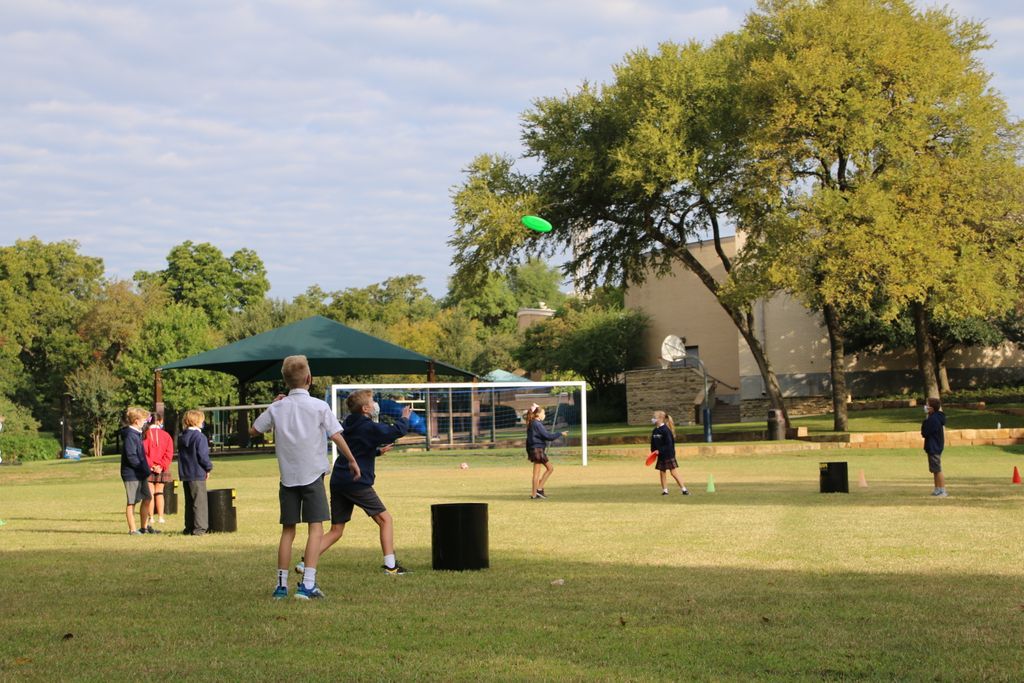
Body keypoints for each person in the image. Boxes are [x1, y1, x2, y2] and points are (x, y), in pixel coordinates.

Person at [250, 355, 360, 600]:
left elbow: (254, 430)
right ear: (309, 378)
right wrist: (352, 460)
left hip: (287, 477)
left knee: (288, 531)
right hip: (313, 476)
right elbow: (336, 436)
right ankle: (307, 584)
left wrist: (273, 405)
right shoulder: (320, 406)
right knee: (316, 528)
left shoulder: (277, 407)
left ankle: (281, 586)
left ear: (285, 381)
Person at [297, 390, 411, 576]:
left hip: (338, 480)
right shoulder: (368, 426)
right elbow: (395, 432)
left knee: (336, 530)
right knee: (385, 520)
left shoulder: (346, 424)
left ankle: (305, 562)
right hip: (356, 482)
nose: (375, 404)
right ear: (366, 408)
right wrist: (404, 418)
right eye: (373, 401)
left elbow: (354, 449)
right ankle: (391, 567)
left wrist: (377, 452)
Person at [178, 409, 214, 536]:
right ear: (197, 421)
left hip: (185, 473)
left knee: (189, 501)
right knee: (200, 502)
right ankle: (200, 528)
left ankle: (189, 527)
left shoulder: (182, 437)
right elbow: (202, 456)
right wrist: (208, 467)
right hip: (197, 472)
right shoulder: (200, 437)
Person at [120, 406, 155, 535]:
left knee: (147, 498)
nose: (146, 422)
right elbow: (131, 457)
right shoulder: (130, 435)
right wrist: (143, 468)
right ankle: (132, 529)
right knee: (132, 501)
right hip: (131, 474)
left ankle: (144, 527)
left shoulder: (137, 434)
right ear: (136, 421)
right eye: (144, 420)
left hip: (141, 473)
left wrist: (146, 469)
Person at [525, 405, 566, 499]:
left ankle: (535, 494)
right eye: (543, 413)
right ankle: (538, 490)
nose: (544, 415)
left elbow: (528, 441)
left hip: (534, 450)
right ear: (538, 414)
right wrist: (560, 433)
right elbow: (548, 436)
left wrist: (529, 452)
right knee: (549, 469)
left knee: (537, 473)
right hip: (538, 450)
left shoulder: (532, 423)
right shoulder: (537, 424)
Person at [143, 412, 174, 526]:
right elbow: (169, 453)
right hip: (162, 468)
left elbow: (143, 453)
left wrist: (152, 465)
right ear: (160, 421)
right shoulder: (166, 435)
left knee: (149, 494)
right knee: (159, 493)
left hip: (148, 468)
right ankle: (161, 517)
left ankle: (151, 517)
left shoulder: (145, 434)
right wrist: (161, 466)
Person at [651, 410, 689, 496]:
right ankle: (665, 491)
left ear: (660, 419)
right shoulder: (655, 431)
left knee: (673, 472)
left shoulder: (666, 430)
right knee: (662, 472)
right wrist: (653, 452)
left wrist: (660, 451)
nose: (652, 419)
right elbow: (653, 443)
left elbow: (669, 445)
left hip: (668, 454)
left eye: (654, 417)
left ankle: (684, 490)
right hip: (660, 455)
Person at [921, 397, 948, 497]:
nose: (925, 407)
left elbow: (925, 432)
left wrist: (925, 422)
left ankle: (942, 489)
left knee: (937, 469)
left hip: (934, 446)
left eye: (927, 405)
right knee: (934, 469)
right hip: (933, 446)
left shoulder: (934, 419)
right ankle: (937, 488)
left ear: (931, 408)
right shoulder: (934, 418)